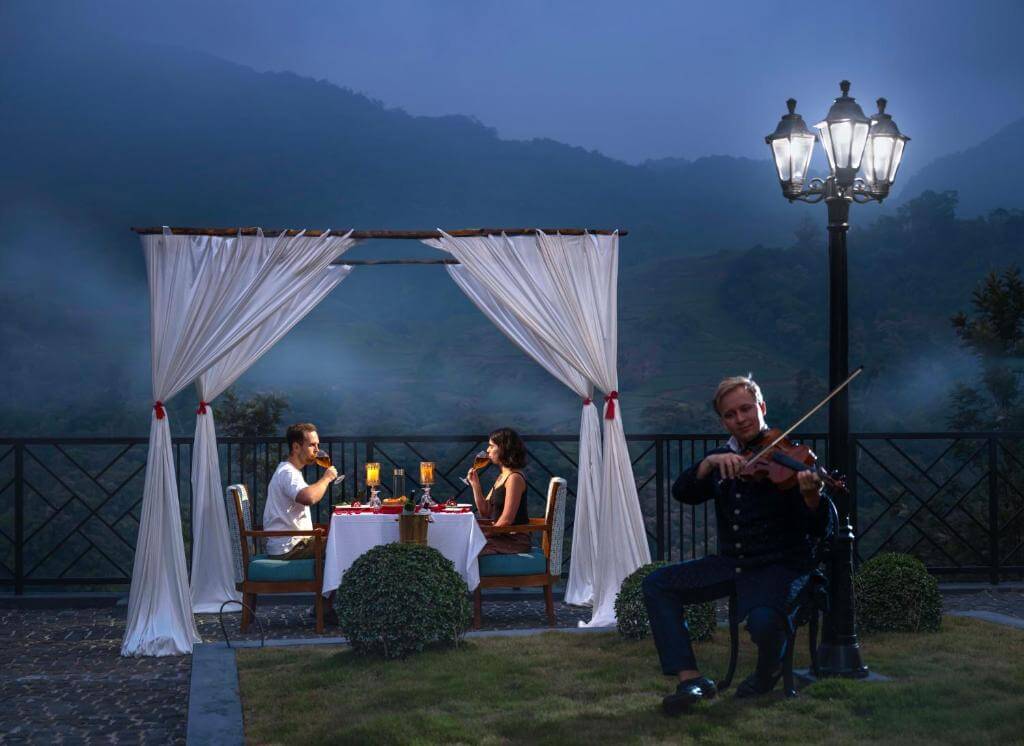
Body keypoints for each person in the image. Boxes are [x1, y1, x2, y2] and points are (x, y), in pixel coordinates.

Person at [642, 375, 834, 715]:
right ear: (723, 421)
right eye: (730, 415)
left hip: (782, 564)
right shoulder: (724, 459)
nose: (740, 419)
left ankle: (768, 669)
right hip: (733, 563)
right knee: (657, 584)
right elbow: (683, 492)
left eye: (746, 409)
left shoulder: (793, 458)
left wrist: (810, 495)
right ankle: (691, 680)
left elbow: (822, 528)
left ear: (761, 407)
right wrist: (707, 463)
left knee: (762, 622)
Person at [264, 422, 339, 623]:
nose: (317, 450)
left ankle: (323, 608)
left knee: (335, 541)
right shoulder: (287, 472)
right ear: (296, 447)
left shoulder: (291, 472)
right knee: (338, 545)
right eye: (312, 445)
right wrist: (326, 479)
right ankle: (324, 610)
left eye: (317, 445)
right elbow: (308, 498)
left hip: (292, 543)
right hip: (289, 547)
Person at [467, 427, 530, 555]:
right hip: (499, 535)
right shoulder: (502, 476)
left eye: (491, 446)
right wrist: (475, 485)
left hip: (513, 540)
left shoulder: (514, 478)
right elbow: (485, 511)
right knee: (463, 544)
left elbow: (506, 520)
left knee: (467, 549)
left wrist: (483, 534)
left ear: (503, 448)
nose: (487, 450)